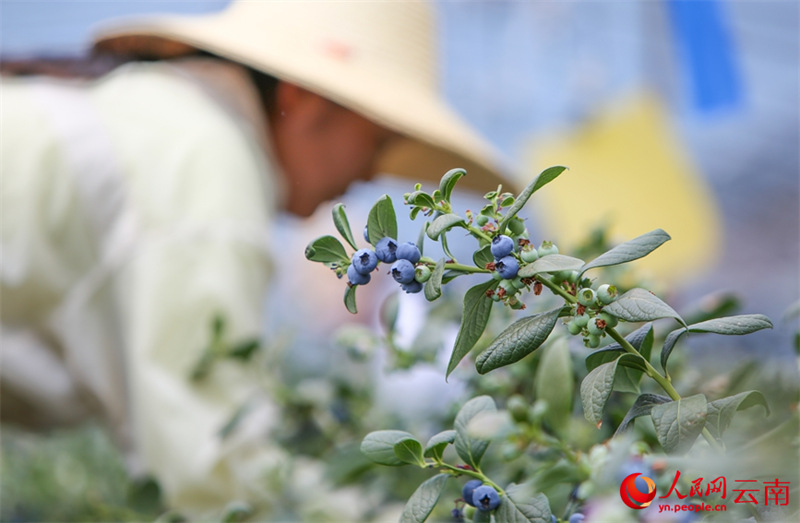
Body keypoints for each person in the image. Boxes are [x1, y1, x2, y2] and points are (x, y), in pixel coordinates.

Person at [0, 0, 511, 517]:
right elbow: (213, 473)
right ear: (306, 98)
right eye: (378, 140)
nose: (373, 172)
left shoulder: (168, 119)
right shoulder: (207, 168)